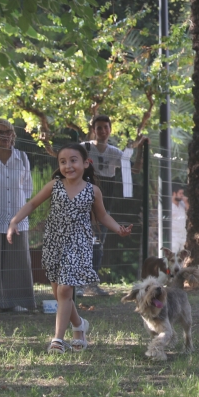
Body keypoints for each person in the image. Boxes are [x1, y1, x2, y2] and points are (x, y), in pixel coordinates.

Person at [7, 143, 132, 354]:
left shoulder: (93, 191)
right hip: (54, 243)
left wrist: (118, 229)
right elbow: (32, 204)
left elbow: (102, 216)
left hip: (79, 243)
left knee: (65, 290)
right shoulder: (54, 186)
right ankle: (79, 325)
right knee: (59, 292)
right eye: (62, 162)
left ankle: (57, 339)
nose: (68, 166)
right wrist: (14, 221)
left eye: (73, 160)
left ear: (85, 163)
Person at [81, 115, 147, 296]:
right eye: (99, 128)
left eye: (105, 127)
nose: (102, 131)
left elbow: (135, 169)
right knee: (80, 243)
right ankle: (77, 284)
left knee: (97, 244)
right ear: (93, 130)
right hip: (82, 205)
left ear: (110, 130)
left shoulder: (116, 153)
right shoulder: (83, 149)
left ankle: (91, 285)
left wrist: (140, 149)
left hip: (103, 206)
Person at [0, 119, 35, 313]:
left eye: (9, 132)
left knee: (18, 260)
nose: (5, 136)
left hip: (17, 217)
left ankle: (17, 301)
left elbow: (27, 188)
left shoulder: (23, 158)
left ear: (13, 135)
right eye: (0, 133)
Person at [170, 186, 187, 252]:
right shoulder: (169, 206)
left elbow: (190, 212)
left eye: (183, 193)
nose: (182, 195)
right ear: (174, 193)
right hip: (173, 236)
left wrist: (186, 202)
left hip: (183, 235)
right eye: (180, 193)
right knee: (174, 255)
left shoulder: (182, 204)